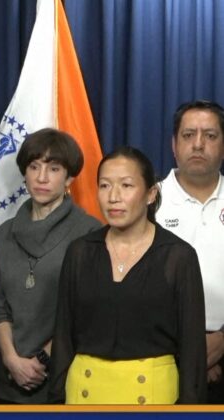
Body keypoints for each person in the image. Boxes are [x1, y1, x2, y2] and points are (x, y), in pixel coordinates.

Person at [49, 146, 207, 404]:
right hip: (84, 395)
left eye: (126, 185)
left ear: (150, 194)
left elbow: (193, 355)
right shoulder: (79, 252)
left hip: (152, 397)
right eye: (104, 186)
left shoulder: (178, 257)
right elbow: (63, 339)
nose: (113, 197)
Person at [0, 128, 101, 404]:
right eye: (34, 166)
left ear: (69, 177)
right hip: (6, 378)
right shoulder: (4, 234)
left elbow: (86, 312)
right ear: (24, 173)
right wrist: (11, 359)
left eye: (53, 168)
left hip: (60, 380)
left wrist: (41, 361)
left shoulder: (90, 232)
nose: (41, 177)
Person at [156, 100, 224, 403]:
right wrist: (189, 350)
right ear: (173, 144)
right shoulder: (147, 202)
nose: (198, 144)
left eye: (210, 135)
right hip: (161, 356)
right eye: (188, 135)